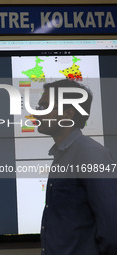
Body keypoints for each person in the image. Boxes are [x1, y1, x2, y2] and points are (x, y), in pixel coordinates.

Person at [33, 79, 117, 255]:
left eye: (44, 107)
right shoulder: (62, 154)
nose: (37, 113)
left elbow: (112, 227)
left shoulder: (90, 153)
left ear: (68, 114)